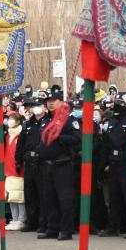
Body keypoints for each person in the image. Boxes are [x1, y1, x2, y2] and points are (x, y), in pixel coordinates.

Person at [37, 90, 80, 241]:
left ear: (61, 102)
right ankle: (52, 228)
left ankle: (66, 230)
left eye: (54, 100)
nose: (50, 103)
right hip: (47, 165)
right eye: (48, 101)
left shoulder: (68, 120)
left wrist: (59, 137)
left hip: (62, 164)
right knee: (49, 199)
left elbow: (77, 139)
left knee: (64, 199)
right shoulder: (46, 120)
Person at [100, 96, 126, 237]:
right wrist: (105, 163)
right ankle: (112, 227)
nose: (116, 106)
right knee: (113, 197)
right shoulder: (112, 121)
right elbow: (107, 144)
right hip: (113, 163)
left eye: (119, 103)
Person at [15, 96, 49, 232]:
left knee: (42, 194)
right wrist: (18, 160)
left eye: (38, 105)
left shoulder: (48, 122)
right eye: (34, 106)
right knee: (29, 193)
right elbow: (20, 143)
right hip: (29, 161)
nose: (35, 108)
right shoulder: (27, 124)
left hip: (41, 162)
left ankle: (43, 223)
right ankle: (31, 222)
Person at [4, 108, 25, 230]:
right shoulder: (8, 135)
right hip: (9, 170)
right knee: (11, 196)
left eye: (13, 119)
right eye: (9, 119)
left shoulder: (21, 135)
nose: (10, 121)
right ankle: (14, 219)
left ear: (18, 121)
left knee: (20, 196)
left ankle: (21, 219)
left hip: (18, 170)